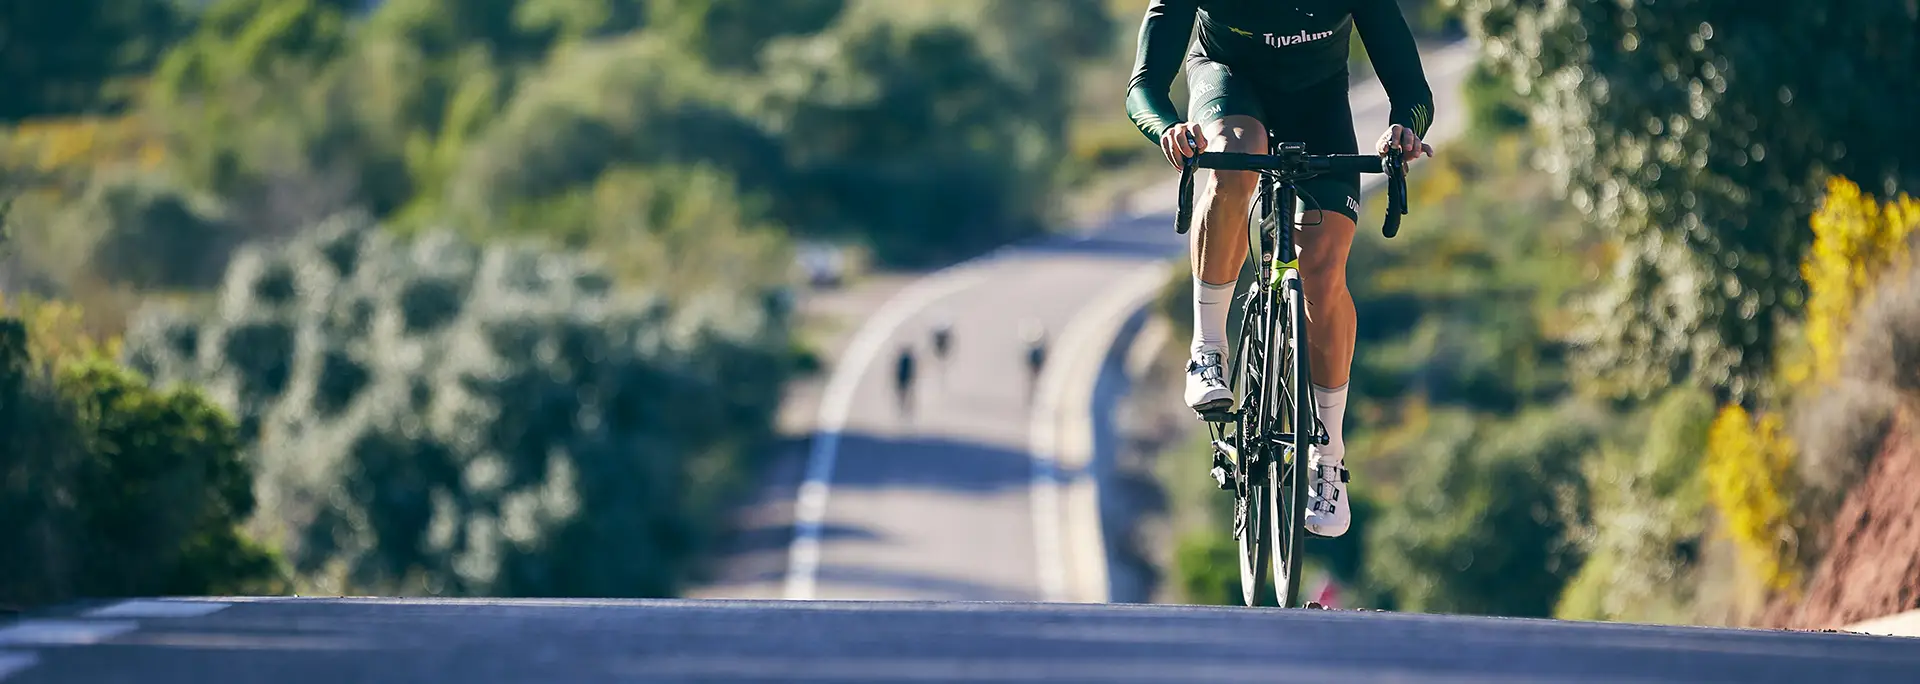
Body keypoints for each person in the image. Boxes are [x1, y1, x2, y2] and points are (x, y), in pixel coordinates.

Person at [1125, 0, 1437, 539]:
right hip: (1229, 84)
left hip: (1318, 105)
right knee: (1234, 157)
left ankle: (1329, 459)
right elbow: (1144, 86)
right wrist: (1169, 129)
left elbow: (1412, 91)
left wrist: (1402, 131)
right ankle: (1208, 350)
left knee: (1323, 269)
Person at [893, 343, 917, 417]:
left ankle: (904, 410)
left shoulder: (904, 360)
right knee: (906, 396)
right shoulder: (907, 359)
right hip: (904, 380)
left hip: (903, 380)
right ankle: (905, 410)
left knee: (905, 396)